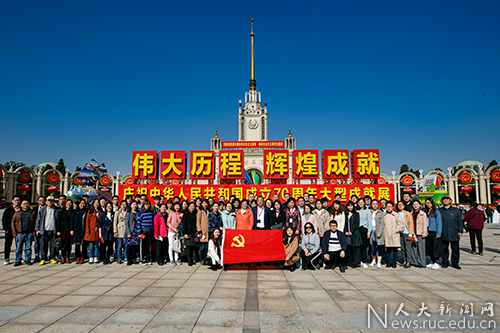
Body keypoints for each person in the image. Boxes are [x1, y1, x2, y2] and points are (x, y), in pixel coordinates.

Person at [439, 195, 464, 269]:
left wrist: (460, 231)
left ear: (450, 201)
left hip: (454, 232)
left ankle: (455, 263)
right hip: (444, 232)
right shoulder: (440, 211)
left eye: (447, 199)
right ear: (442, 201)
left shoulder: (455, 210)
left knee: (455, 249)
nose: (446, 201)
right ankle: (445, 262)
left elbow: (460, 221)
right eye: (444, 199)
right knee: (444, 249)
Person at [36, 195, 61, 265]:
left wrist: (58, 230)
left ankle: (52, 257)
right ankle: (43, 258)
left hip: (53, 230)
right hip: (44, 230)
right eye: (48, 200)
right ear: (46, 201)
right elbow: (38, 220)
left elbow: (59, 220)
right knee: (43, 245)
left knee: (53, 245)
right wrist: (37, 229)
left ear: (53, 202)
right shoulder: (42, 210)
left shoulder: (57, 209)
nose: (50, 202)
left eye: (51, 201)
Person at [11, 199, 36, 266]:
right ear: (21, 205)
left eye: (27, 203)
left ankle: (27, 259)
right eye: (24, 204)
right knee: (19, 248)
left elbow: (35, 222)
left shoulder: (32, 212)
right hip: (20, 233)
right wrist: (14, 232)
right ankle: (18, 260)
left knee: (28, 247)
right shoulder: (17, 213)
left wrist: (34, 231)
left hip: (29, 233)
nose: (26, 205)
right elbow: (12, 222)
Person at [383, 201, 405, 268]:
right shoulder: (384, 215)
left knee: (395, 249)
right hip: (387, 234)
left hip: (394, 234)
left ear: (393, 207)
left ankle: (394, 262)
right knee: (388, 249)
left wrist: (396, 230)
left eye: (390, 207)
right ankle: (389, 262)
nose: (389, 208)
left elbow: (401, 224)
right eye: (387, 207)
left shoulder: (396, 215)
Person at [2, 195, 21, 265]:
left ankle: (19, 258)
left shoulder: (21, 209)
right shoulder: (8, 210)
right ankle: (7, 258)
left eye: (18, 200)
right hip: (9, 230)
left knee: (19, 245)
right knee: (8, 245)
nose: (17, 201)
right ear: (12, 201)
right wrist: (6, 229)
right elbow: (4, 220)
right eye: (15, 200)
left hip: (19, 230)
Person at [424, 198, 443, 269]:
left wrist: (438, 233)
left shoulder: (436, 212)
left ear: (432, 203)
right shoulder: (425, 211)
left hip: (434, 231)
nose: (428, 204)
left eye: (429, 203)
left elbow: (439, 223)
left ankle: (437, 262)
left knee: (436, 248)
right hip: (427, 232)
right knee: (430, 247)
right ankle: (432, 261)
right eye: (427, 203)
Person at [396, 201, 414, 269]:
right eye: (398, 205)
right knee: (402, 248)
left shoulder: (407, 213)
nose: (400, 206)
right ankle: (404, 260)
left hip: (407, 233)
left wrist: (411, 233)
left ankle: (408, 261)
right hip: (400, 233)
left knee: (408, 248)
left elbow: (411, 223)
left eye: (401, 205)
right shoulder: (397, 214)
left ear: (404, 205)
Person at [345, 201, 363, 268]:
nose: (350, 207)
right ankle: (349, 262)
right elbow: (345, 224)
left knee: (356, 249)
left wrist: (351, 231)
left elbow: (356, 224)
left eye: (351, 206)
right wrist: (346, 231)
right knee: (349, 248)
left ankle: (355, 263)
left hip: (355, 233)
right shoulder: (345, 214)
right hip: (347, 234)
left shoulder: (356, 214)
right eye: (349, 206)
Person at [410, 200, 428, 267]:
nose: (415, 206)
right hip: (412, 232)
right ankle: (414, 262)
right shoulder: (410, 213)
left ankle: (422, 262)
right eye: (414, 204)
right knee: (413, 247)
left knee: (421, 248)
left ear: (420, 205)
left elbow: (425, 224)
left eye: (417, 204)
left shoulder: (423, 214)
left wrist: (424, 233)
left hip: (420, 232)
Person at [84, 199, 102, 265]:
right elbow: (87, 222)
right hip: (91, 230)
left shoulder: (101, 212)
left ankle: (96, 257)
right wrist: (87, 230)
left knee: (96, 245)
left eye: (97, 203)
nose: (96, 204)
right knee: (91, 245)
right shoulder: (90, 212)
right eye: (95, 203)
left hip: (97, 231)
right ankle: (91, 257)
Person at [369, 199, 385, 268]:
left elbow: (382, 223)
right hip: (371, 230)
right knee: (372, 246)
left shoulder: (380, 212)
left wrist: (379, 232)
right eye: (373, 204)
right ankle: (373, 261)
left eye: (376, 204)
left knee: (379, 246)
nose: (375, 205)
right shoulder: (369, 212)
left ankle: (379, 261)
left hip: (378, 230)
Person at [71, 199, 87, 264]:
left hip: (85, 229)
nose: (82, 205)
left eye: (83, 203)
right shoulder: (75, 211)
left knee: (84, 244)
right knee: (77, 244)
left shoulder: (87, 211)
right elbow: (72, 221)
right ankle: (77, 257)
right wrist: (71, 229)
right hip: (77, 229)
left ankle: (83, 257)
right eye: (81, 203)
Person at [56, 199, 73, 264]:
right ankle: (63, 257)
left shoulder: (72, 211)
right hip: (63, 230)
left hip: (70, 230)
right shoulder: (61, 211)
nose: (69, 204)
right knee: (62, 244)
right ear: (65, 204)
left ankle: (67, 257)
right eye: (67, 203)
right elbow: (58, 221)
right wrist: (58, 230)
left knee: (69, 244)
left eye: (70, 203)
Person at [182, 202, 198, 266]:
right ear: (188, 207)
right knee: (188, 247)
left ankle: (193, 259)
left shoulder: (195, 214)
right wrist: (185, 233)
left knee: (193, 247)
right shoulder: (186, 214)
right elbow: (184, 224)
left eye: (193, 206)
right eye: (191, 206)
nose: (192, 207)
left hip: (194, 232)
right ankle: (189, 260)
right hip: (188, 232)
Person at [124, 201, 140, 265]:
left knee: (135, 247)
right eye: (133, 204)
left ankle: (134, 258)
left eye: (135, 204)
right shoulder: (128, 213)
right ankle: (129, 259)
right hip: (130, 231)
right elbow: (126, 223)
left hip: (136, 231)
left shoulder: (138, 213)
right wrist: (128, 232)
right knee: (129, 247)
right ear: (130, 205)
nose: (134, 206)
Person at [357, 198, 371, 267]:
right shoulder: (356, 211)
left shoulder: (367, 211)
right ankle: (359, 260)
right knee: (358, 246)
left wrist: (369, 232)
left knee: (363, 246)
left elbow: (369, 222)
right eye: (359, 202)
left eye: (362, 202)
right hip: (357, 229)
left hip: (364, 229)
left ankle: (364, 260)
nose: (360, 204)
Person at [32, 195, 46, 262]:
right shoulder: (34, 209)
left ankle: (44, 256)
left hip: (45, 229)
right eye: (40, 200)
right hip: (36, 229)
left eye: (43, 200)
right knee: (36, 244)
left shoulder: (48, 208)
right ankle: (37, 256)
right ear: (38, 201)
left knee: (45, 244)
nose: (42, 201)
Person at [197, 199, 210, 265]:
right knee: (202, 247)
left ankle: (205, 259)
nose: (205, 204)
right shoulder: (200, 212)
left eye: (206, 203)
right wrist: (199, 231)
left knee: (207, 246)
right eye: (203, 203)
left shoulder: (208, 211)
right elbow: (198, 222)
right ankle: (201, 259)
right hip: (203, 231)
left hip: (208, 231)